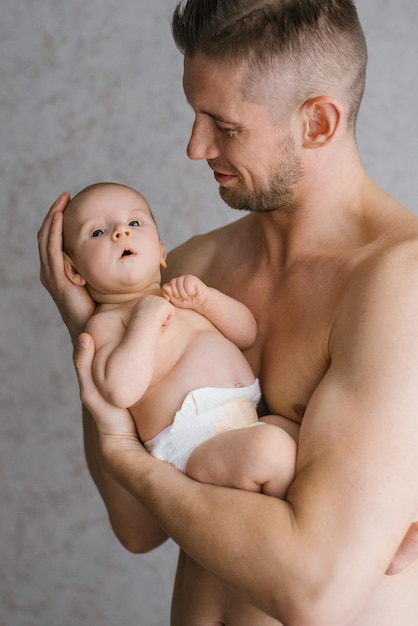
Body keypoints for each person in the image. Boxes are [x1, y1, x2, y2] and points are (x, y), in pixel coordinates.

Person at [38, 1, 418, 624]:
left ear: (318, 122)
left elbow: (312, 592)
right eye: (194, 114)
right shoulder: (195, 265)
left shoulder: (398, 285)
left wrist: (127, 454)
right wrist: (87, 324)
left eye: (224, 124)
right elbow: (137, 528)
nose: (194, 147)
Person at [62, 181, 297, 496]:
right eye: (97, 232)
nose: (120, 232)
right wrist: (145, 320)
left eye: (134, 222)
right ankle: (280, 518)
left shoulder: (178, 295)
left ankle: (297, 515)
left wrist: (207, 301)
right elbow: (120, 390)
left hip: (246, 421)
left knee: (304, 436)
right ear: (74, 270)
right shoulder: (106, 323)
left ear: (160, 252)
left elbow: (246, 334)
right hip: (193, 443)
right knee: (272, 449)